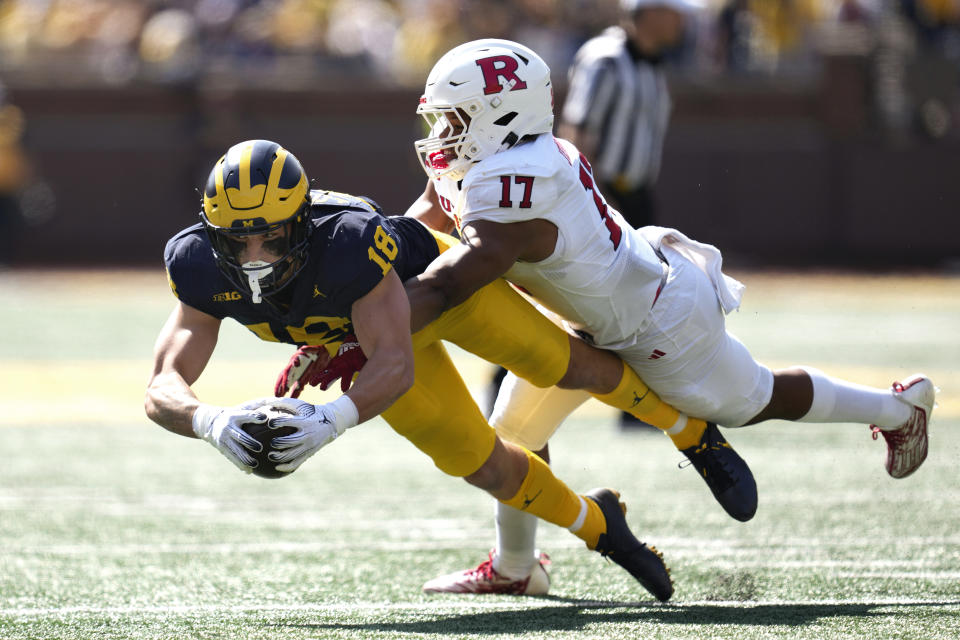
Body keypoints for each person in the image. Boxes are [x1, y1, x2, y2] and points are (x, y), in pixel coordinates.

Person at [285, 38, 934, 596]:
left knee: (753, 399)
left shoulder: (515, 179)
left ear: (500, 117)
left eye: (456, 118)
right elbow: (428, 216)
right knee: (510, 429)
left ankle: (898, 409)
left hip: (659, 324)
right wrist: (368, 274)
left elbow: (456, 279)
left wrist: (366, 333)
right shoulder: (492, 159)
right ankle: (517, 568)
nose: (441, 134)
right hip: (590, 320)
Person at [143, 138, 751, 602]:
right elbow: (163, 386)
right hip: (360, 335)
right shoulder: (198, 264)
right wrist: (211, 422)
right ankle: (599, 526)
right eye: (237, 239)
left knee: (560, 362)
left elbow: (393, 363)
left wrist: (328, 420)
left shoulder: (349, 242)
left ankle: (689, 431)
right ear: (211, 231)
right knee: (477, 461)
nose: (253, 256)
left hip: (429, 292)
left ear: (301, 221)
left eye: (271, 236)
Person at [557, 0, 701, 429]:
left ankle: (639, 406)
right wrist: (594, 202)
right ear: (651, 13)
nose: (683, 20)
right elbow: (576, 132)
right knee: (573, 298)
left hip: (637, 196)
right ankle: (505, 381)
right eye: (675, 11)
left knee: (646, 302)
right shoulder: (605, 59)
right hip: (605, 194)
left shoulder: (654, 64)